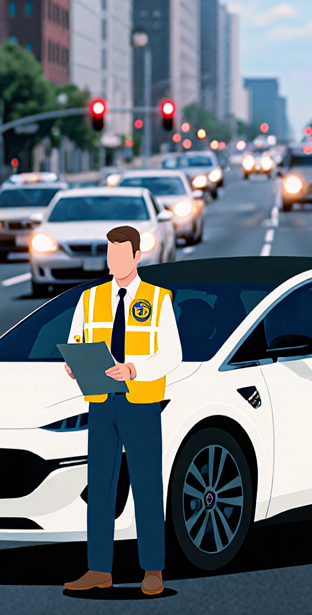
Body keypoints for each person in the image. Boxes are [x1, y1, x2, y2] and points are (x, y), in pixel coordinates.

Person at [62, 225, 182, 596]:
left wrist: (133, 369)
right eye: (109, 254)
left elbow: (172, 354)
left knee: (146, 485)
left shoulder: (158, 299)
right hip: (101, 401)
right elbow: (76, 340)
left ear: (137, 256)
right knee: (99, 487)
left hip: (141, 402)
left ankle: (153, 570)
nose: (113, 261)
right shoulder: (90, 299)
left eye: (120, 254)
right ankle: (99, 568)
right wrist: (73, 364)